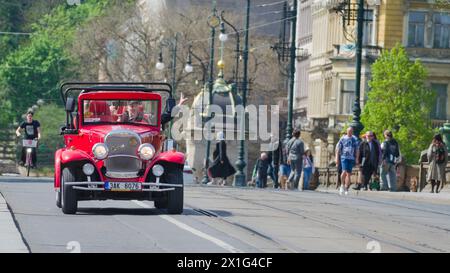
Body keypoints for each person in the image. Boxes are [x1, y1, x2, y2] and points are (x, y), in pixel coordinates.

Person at [336, 127, 360, 195]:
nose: (350, 133)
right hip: (344, 157)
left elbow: (357, 149)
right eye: (349, 131)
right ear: (347, 132)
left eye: (351, 131)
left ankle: (346, 188)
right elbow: (338, 149)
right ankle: (342, 185)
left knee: (349, 174)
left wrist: (357, 158)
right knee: (344, 171)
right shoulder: (343, 138)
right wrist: (337, 159)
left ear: (352, 132)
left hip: (351, 158)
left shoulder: (354, 139)